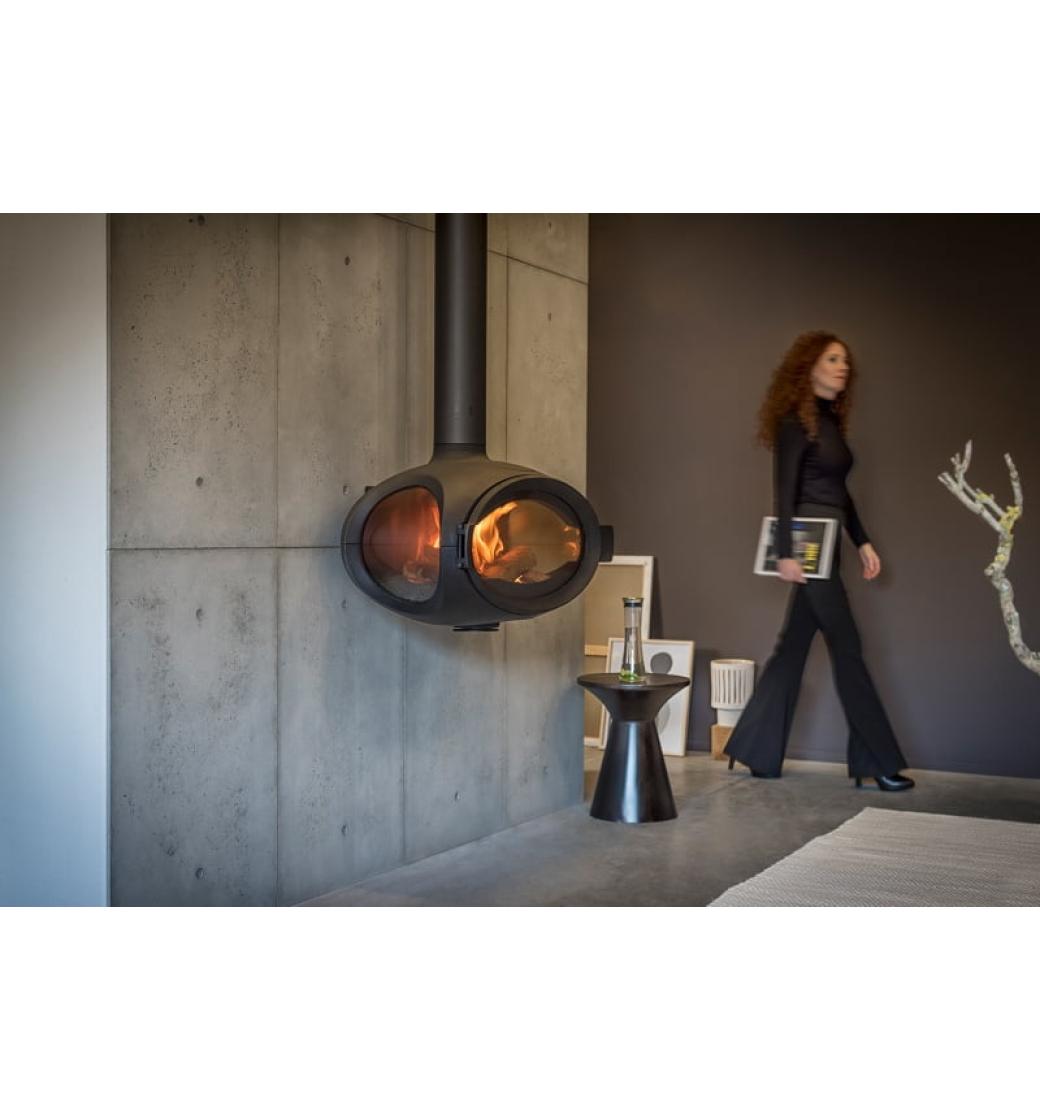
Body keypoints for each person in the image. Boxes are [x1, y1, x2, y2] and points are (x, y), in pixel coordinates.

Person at [723, 330, 914, 791]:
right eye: (832, 359)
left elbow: (839, 493)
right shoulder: (795, 424)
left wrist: (862, 541)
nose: (842, 367)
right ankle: (877, 762)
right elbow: (785, 490)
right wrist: (786, 553)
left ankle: (754, 751)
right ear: (808, 367)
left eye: (845, 360)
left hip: (828, 542)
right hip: (809, 546)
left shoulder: (828, 422)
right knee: (847, 647)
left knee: (791, 649)